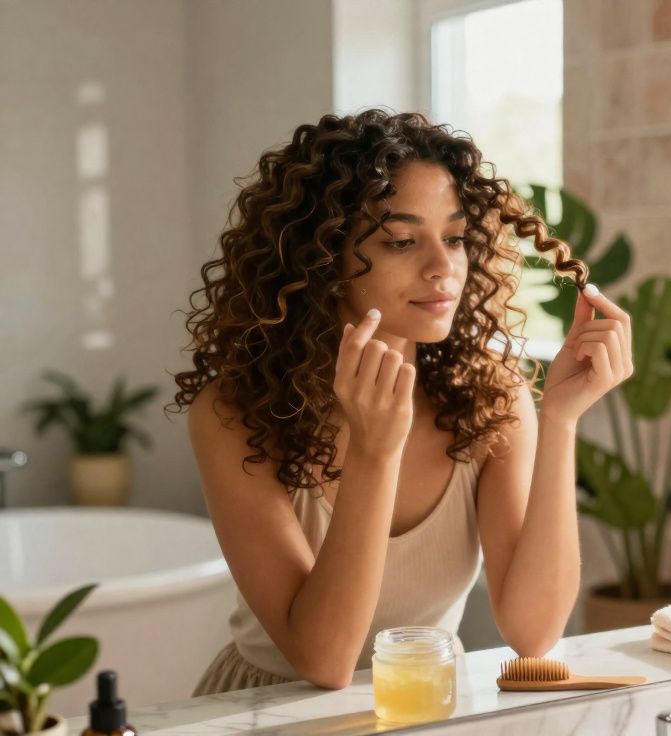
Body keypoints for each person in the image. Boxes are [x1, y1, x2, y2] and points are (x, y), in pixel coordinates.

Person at [172, 110, 632, 693]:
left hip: (423, 703)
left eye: (455, 238)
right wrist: (374, 451)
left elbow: (533, 632)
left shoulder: (488, 397)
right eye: (401, 241)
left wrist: (561, 420)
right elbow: (324, 661)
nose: (444, 268)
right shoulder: (235, 414)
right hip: (269, 711)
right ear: (322, 259)